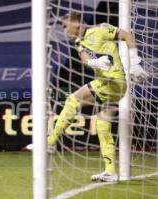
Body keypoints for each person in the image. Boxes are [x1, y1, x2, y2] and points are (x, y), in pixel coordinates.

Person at [47, 12, 148, 182]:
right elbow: (85, 58)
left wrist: (135, 62)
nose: (64, 31)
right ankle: (110, 172)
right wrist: (95, 62)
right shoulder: (79, 43)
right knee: (102, 125)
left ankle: (50, 143)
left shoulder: (100, 29)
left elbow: (127, 35)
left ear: (77, 24)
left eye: (65, 26)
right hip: (112, 85)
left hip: (112, 81)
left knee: (73, 100)